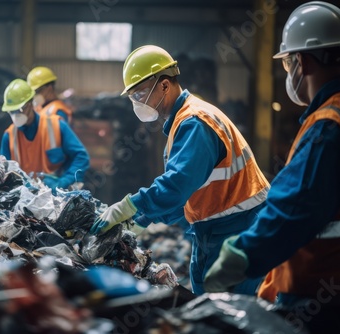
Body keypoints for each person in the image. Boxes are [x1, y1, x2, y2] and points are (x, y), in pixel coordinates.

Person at [203, 2, 340, 333]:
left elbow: (292, 210)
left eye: (287, 62)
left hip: (322, 299)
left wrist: (240, 255)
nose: (288, 70)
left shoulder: (331, 128)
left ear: (303, 61)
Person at [89, 45, 270, 296]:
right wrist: (142, 220)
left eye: (140, 95)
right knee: (207, 304)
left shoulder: (195, 122)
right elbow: (188, 193)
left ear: (164, 85)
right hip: (215, 228)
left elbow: (178, 184)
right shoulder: (183, 120)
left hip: (236, 230)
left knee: (227, 310)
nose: (137, 104)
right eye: (133, 98)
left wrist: (128, 206)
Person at [0, 79, 89, 191]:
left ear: (31, 103)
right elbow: (3, 172)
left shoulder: (56, 125)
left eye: (20, 109)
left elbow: (81, 156)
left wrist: (65, 181)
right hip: (24, 199)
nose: (16, 115)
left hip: (56, 196)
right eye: (11, 111)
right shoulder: (9, 136)